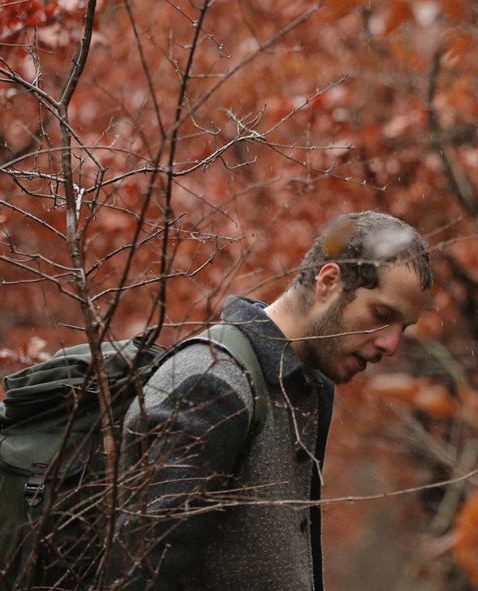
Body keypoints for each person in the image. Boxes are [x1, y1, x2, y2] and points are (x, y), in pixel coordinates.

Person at [106, 211, 433, 591]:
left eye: (402, 329)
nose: (390, 345)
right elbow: (141, 576)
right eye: (382, 315)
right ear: (328, 282)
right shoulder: (210, 383)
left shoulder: (305, 386)